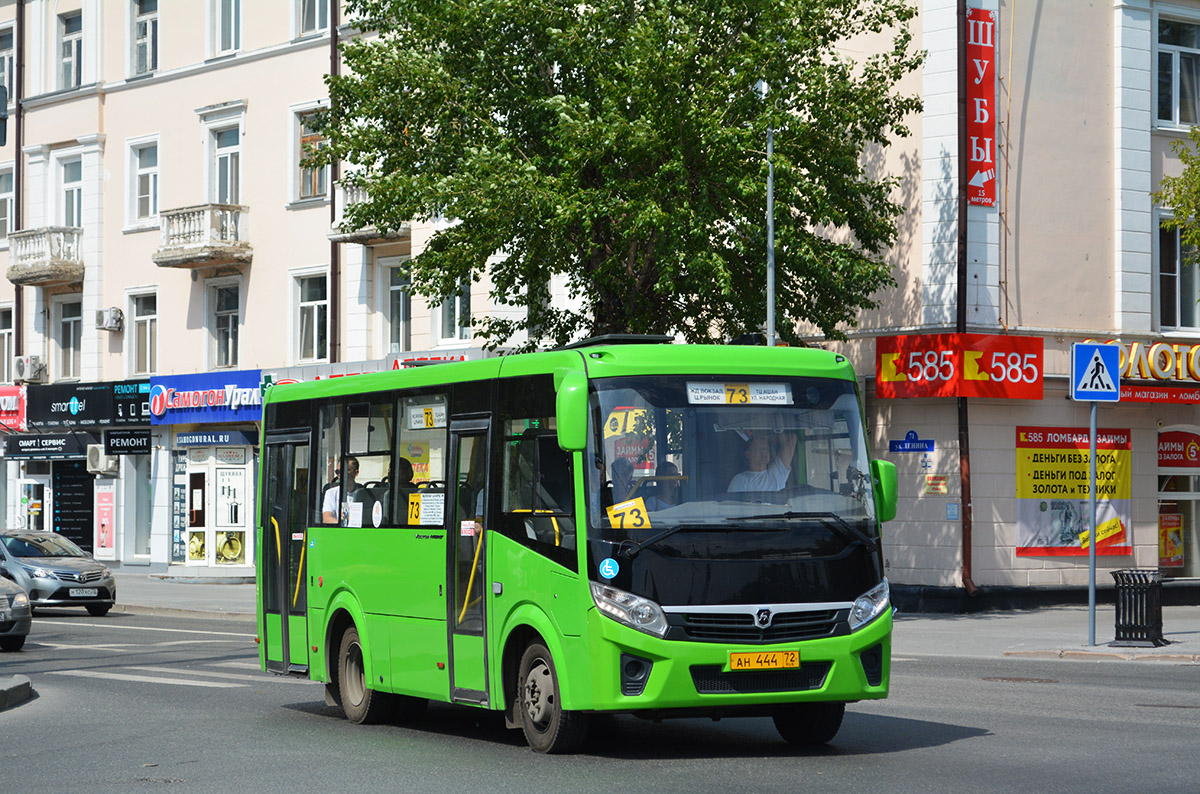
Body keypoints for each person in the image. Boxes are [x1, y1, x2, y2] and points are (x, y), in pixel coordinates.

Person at [728, 432, 797, 493]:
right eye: (759, 449)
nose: (764, 453)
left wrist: (765, 438)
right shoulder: (741, 479)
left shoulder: (777, 473)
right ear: (748, 454)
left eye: (766, 449)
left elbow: (791, 438)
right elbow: (734, 506)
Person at [322, 456, 359, 524]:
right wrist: (344, 524)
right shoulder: (331, 493)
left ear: (356, 473)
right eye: (338, 471)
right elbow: (326, 518)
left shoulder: (364, 493)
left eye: (344, 470)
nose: (340, 474)